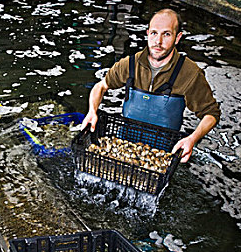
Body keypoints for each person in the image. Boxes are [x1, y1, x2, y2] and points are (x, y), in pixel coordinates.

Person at [81, 8, 221, 163]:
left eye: (166, 34)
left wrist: (192, 138)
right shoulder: (129, 64)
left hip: (164, 152)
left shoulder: (190, 73)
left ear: (177, 37)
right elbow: (101, 86)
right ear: (147, 33)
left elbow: (211, 114)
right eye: (154, 33)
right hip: (124, 145)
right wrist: (92, 111)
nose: (158, 41)